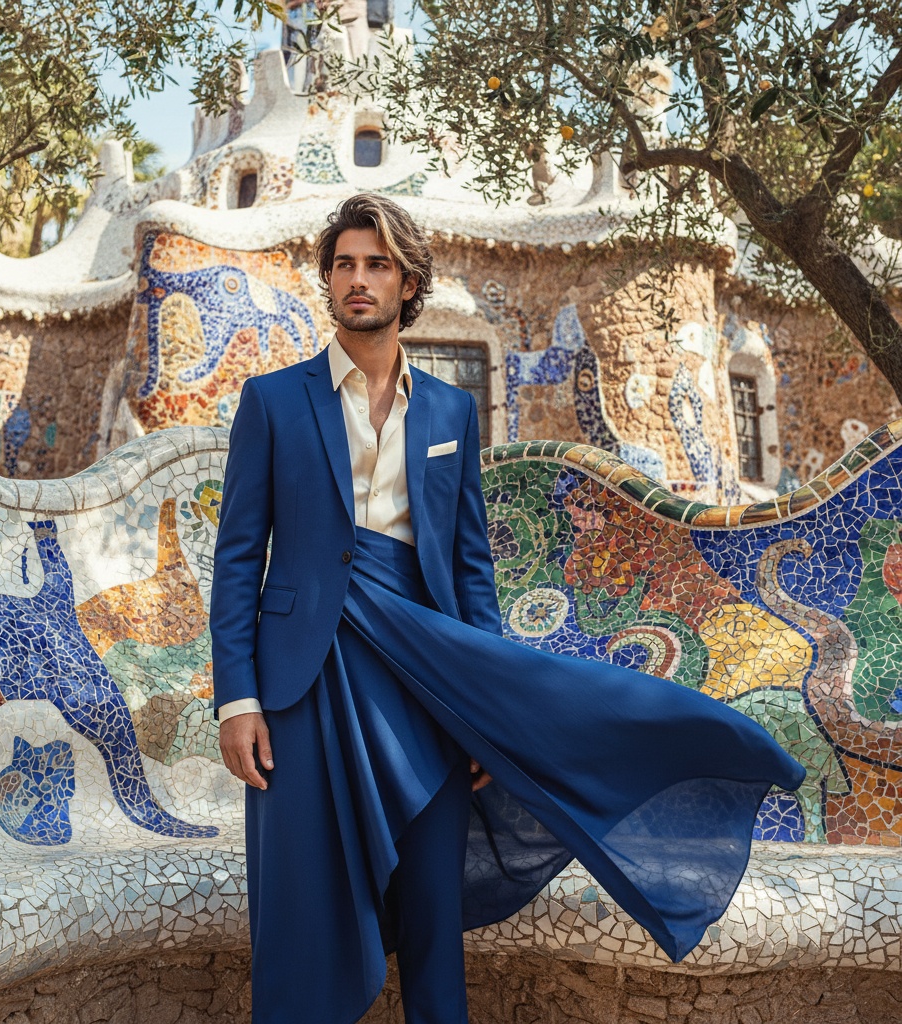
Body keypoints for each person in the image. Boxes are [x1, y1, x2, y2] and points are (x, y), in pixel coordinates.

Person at [211, 193, 805, 1024]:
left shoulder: (451, 411)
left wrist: (483, 707)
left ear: (407, 281)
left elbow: (469, 563)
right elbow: (238, 557)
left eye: (376, 264)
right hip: (304, 683)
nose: (357, 279)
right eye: (344, 263)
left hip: (425, 677)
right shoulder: (272, 401)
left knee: (431, 908)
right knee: (298, 900)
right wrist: (237, 698)